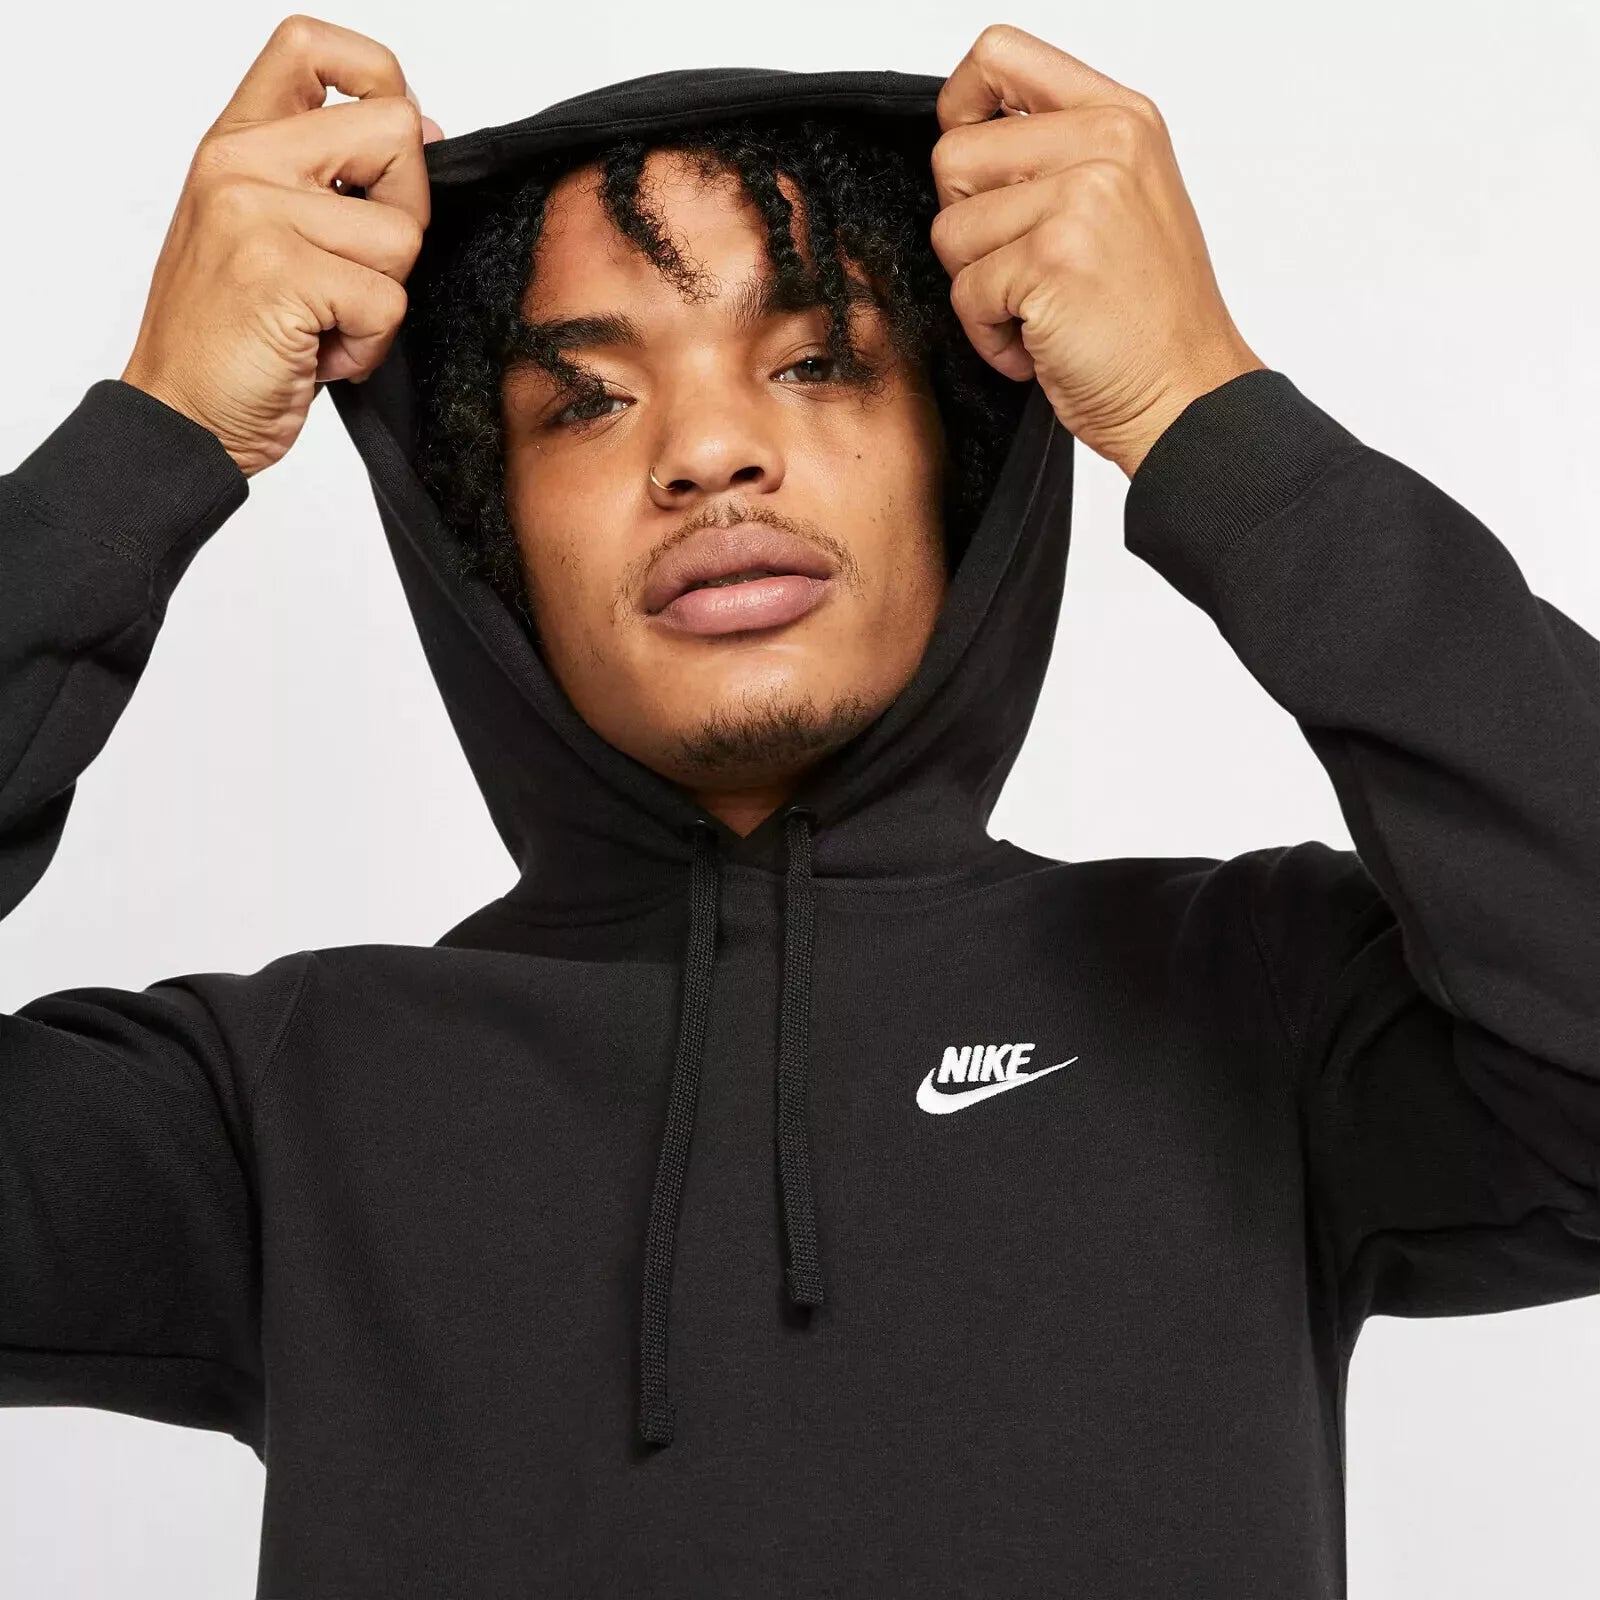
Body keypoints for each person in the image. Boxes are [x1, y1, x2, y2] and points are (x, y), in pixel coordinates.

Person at [3, 14, 1596, 1599]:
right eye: (586, 400)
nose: (709, 451)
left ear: (956, 454)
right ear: (485, 526)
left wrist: (1206, 409)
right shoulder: (280, 1112)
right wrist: (158, 437)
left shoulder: (1258, 1003)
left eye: (819, 360)